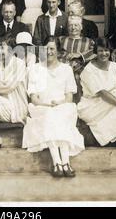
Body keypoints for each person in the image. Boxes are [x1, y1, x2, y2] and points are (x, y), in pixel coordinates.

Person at [23, 38, 84, 177]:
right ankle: (58, 162)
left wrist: (59, 103)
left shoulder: (66, 69)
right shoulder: (35, 69)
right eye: (45, 49)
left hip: (63, 105)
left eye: (52, 49)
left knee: (58, 115)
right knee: (51, 115)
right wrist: (47, 105)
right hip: (41, 107)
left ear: (58, 51)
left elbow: (69, 97)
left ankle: (64, 162)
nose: (49, 52)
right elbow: (34, 99)